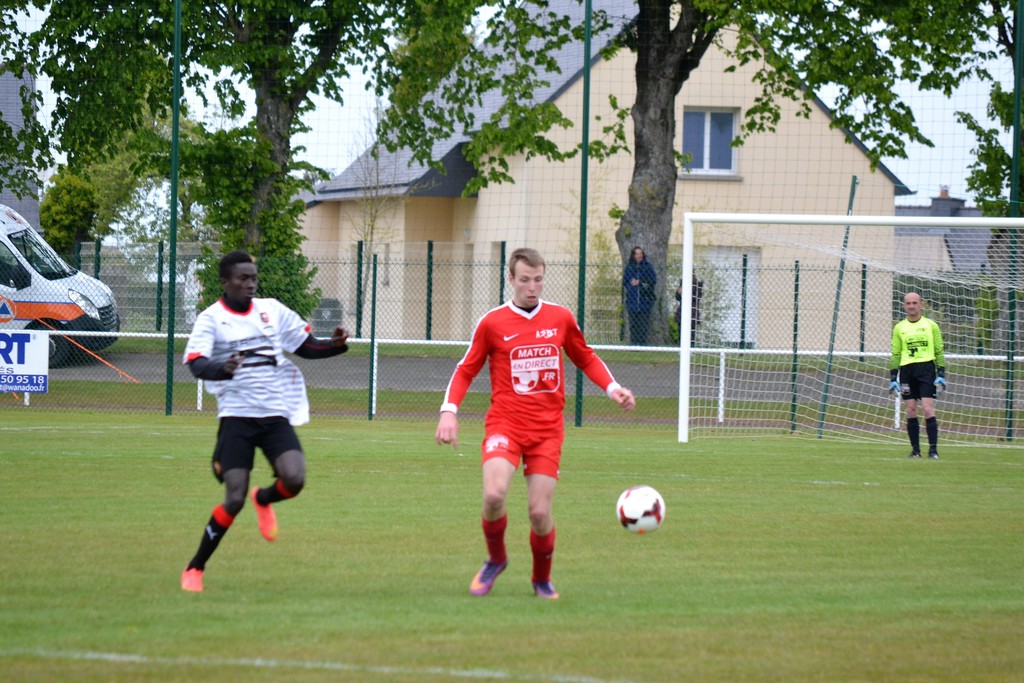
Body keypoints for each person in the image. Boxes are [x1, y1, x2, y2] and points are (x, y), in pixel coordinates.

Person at [435, 247, 636, 599]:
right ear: (510, 279)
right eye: (525, 280)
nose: (532, 287)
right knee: (494, 495)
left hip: (546, 431)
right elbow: (465, 370)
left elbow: (585, 357)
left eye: (538, 279)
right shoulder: (492, 323)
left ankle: (541, 579)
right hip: (505, 425)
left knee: (539, 513)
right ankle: (496, 559)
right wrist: (448, 411)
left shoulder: (560, 318)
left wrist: (613, 388)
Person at [180, 250, 351, 592]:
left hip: (274, 415)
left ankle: (265, 499)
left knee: (295, 479)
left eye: (253, 278)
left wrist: (335, 346)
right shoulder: (211, 319)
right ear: (225, 282)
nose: (250, 284)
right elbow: (196, 363)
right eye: (242, 278)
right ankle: (195, 568)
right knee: (234, 498)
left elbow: (305, 346)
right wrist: (222, 368)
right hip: (237, 418)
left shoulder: (271, 310)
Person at [889, 291, 946, 459]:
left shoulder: (931, 325)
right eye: (908, 303)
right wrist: (893, 377)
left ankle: (933, 451)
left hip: (926, 369)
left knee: (928, 409)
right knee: (911, 410)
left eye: (914, 303)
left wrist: (941, 372)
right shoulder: (899, 327)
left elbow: (939, 349)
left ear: (920, 304)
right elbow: (896, 353)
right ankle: (915, 451)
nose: (911, 306)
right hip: (907, 371)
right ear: (904, 306)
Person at [622, 246, 657, 345]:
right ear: (633, 255)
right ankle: (634, 344)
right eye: (637, 254)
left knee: (643, 324)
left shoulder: (648, 267)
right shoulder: (629, 267)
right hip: (632, 301)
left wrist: (640, 282)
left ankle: (642, 344)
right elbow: (625, 281)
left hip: (644, 301)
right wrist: (630, 283)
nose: (639, 255)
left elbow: (653, 280)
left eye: (640, 253)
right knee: (633, 324)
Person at [674, 274, 704, 345]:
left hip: (692, 312)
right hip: (682, 312)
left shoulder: (697, 285)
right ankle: (681, 345)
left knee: (691, 333)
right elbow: (678, 298)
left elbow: (697, 297)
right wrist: (678, 292)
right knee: (681, 332)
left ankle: (691, 347)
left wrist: (686, 292)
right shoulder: (682, 283)